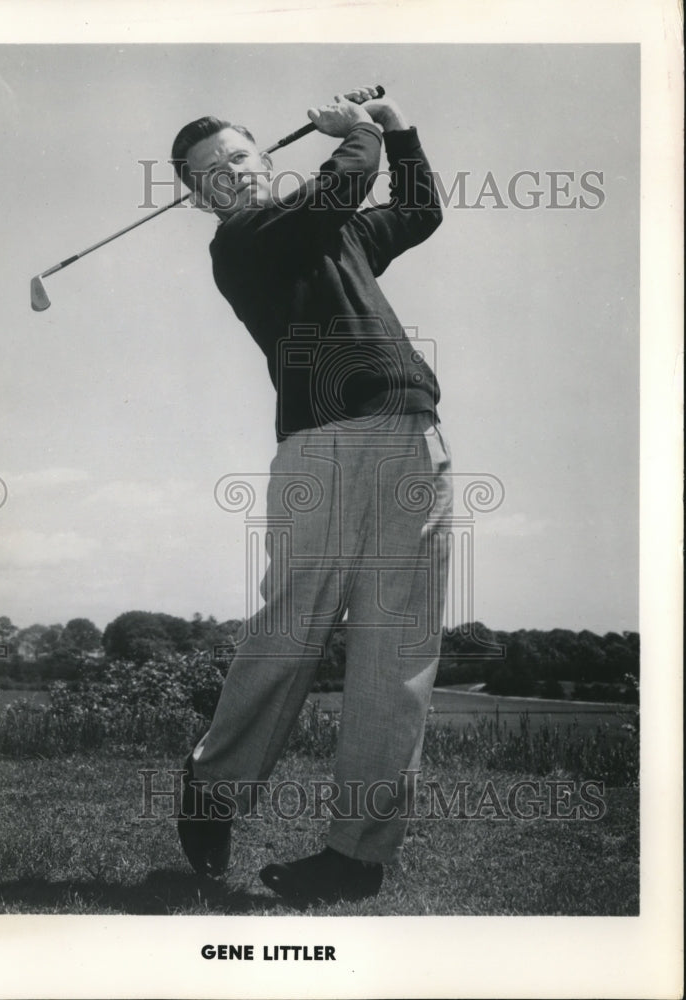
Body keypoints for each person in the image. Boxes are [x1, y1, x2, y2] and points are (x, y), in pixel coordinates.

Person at [170, 86, 452, 904]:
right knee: (292, 630)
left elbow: (420, 209)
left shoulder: (332, 235)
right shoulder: (246, 240)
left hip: (412, 438)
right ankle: (214, 786)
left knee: (397, 657)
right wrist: (358, 130)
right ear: (199, 202)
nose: (228, 174)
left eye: (236, 156)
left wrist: (398, 128)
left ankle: (355, 857)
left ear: (265, 159)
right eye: (207, 173)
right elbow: (338, 187)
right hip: (321, 447)